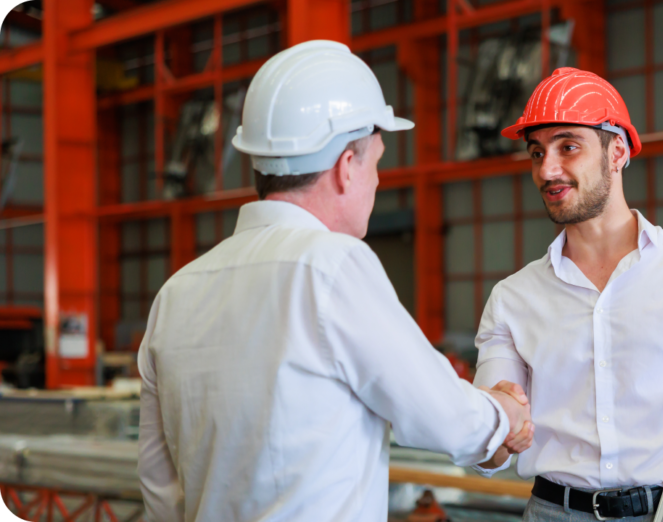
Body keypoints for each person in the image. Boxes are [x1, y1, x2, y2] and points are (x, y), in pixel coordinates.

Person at [137, 40, 532, 522]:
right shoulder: (331, 265)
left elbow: (159, 485)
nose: (378, 181)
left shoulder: (177, 292)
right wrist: (505, 416)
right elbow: (442, 415)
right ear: (347, 167)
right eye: (376, 163)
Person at [472, 67, 663, 521]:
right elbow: (490, 451)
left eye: (568, 146)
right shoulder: (513, 298)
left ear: (618, 151)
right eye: (536, 153)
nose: (547, 170)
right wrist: (495, 429)